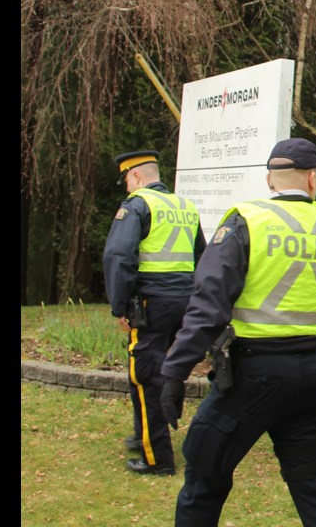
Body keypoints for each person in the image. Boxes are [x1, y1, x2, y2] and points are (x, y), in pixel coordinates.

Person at [159, 137, 316, 527]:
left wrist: (174, 371)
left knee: (204, 478)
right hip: (315, 375)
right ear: (313, 178)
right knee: (314, 487)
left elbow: (208, 308)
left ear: (270, 179)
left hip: (254, 375)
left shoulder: (246, 221)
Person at [103, 149, 206, 475]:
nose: (127, 188)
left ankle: (156, 458)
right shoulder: (185, 207)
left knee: (146, 375)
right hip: (185, 301)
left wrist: (120, 305)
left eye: (127, 182)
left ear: (135, 176)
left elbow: (119, 257)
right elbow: (202, 257)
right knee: (166, 370)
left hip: (152, 303)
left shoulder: (137, 206)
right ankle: (142, 435)